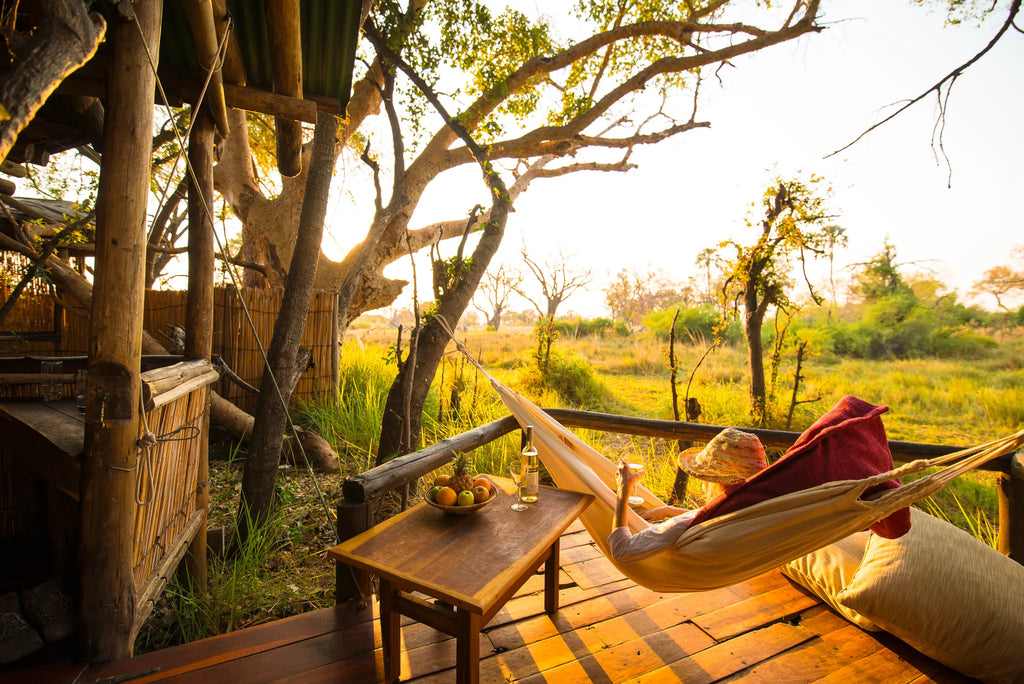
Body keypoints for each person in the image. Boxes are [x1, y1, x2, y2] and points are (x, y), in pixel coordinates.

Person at [609, 428, 768, 561]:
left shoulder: (682, 524)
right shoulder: (757, 509)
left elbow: (621, 550)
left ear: (713, 481)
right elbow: (712, 516)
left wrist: (623, 490)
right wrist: (668, 510)